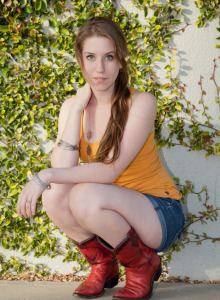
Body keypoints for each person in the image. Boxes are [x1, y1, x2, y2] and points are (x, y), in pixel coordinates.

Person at [17, 16, 185, 300]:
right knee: (54, 196)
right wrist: (77, 109)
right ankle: (103, 264)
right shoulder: (72, 106)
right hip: (112, 210)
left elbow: (108, 172)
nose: (100, 68)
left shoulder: (141, 103)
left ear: (121, 60)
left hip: (159, 212)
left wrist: (44, 176)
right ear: (80, 61)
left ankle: (142, 264)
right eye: (91, 57)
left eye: (109, 57)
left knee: (82, 194)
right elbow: (64, 169)